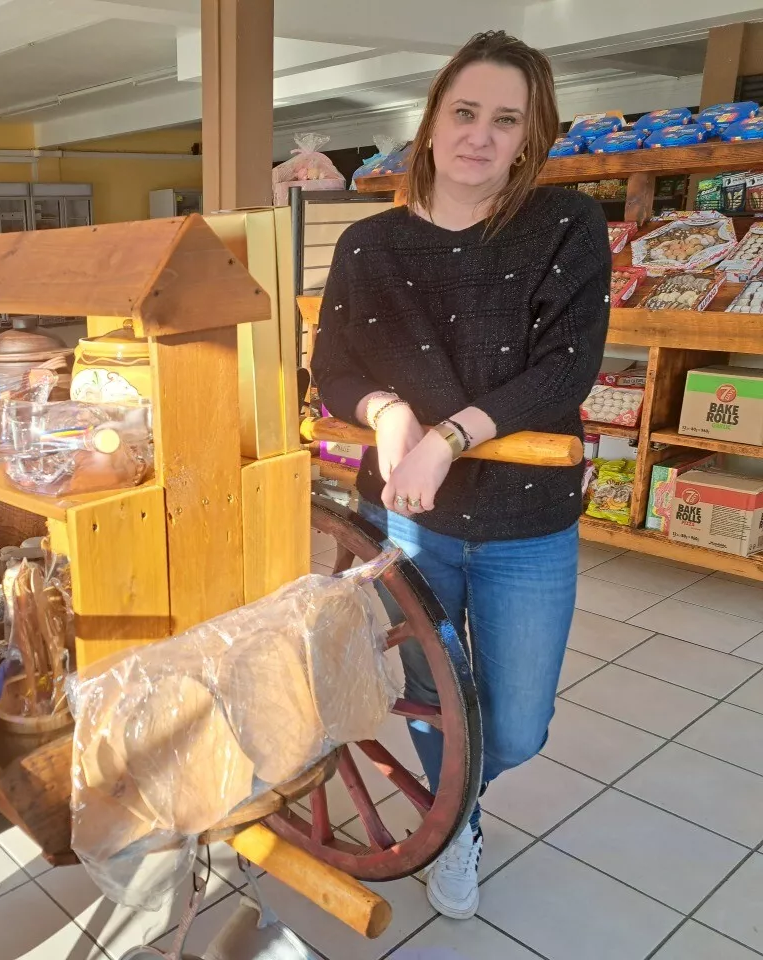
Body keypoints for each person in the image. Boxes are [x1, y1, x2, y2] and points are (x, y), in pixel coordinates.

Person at [311, 30, 610, 919]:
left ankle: (457, 801)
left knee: (516, 725)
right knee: (434, 700)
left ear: (531, 136)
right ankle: (462, 824)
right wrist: (386, 413)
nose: (481, 135)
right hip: (408, 522)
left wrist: (447, 433)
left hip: (528, 519)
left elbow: (566, 368)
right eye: (465, 112)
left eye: (505, 119)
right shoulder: (369, 244)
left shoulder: (567, 225)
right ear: (433, 122)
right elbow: (333, 363)